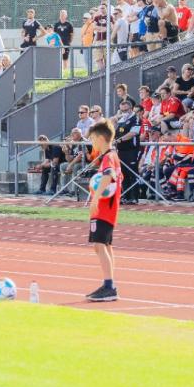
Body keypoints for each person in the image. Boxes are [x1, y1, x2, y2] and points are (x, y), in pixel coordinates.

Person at [85, 119, 121, 302]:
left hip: (104, 208)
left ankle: (109, 286)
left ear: (100, 138)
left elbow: (108, 177)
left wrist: (95, 199)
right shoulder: (112, 155)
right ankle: (110, 283)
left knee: (99, 246)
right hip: (109, 208)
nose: (92, 143)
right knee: (105, 245)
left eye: (92, 139)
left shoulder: (108, 157)